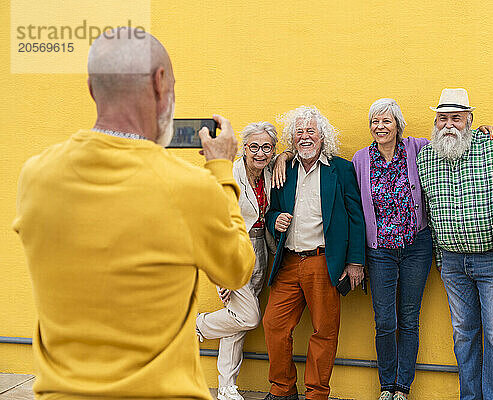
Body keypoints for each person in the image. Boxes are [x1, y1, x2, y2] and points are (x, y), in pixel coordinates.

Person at [12, 27, 255, 400]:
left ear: (92, 88)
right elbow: (237, 269)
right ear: (161, 84)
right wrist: (222, 171)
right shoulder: (189, 187)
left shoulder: (36, 175)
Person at [262, 106, 366, 400]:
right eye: (299, 132)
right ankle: (282, 389)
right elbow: (270, 211)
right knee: (274, 324)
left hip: (324, 262)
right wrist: (274, 220)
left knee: (324, 331)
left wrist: (355, 262)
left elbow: (356, 217)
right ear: (292, 138)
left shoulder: (341, 169)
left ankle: (316, 393)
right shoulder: (285, 168)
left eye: (311, 131)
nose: (305, 137)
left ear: (323, 136)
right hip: (289, 262)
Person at [417, 88, 493, 400]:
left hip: (490, 260)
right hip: (452, 262)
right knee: (463, 334)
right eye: (442, 118)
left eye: (456, 118)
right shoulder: (425, 156)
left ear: (470, 119)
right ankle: (470, 396)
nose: (448, 125)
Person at [351, 98, 432, 400]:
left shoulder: (417, 148)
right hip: (380, 250)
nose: (380, 127)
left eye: (386, 121)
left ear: (398, 124)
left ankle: (403, 387)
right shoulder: (361, 159)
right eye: (375, 121)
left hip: (416, 246)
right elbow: (357, 211)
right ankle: (386, 385)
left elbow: (451, 138)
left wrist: (486, 130)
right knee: (385, 320)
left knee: (409, 317)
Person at [196, 122, 279, 400]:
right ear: (244, 148)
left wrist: (285, 157)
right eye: (253, 146)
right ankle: (194, 326)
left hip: (261, 250)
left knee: (237, 320)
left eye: (266, 147)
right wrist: (222, 271)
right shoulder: (231, 174)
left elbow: (290, 155)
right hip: (234, 252)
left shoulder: (269, 171)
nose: (259, 152)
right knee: (248, 316)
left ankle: (226, 387)